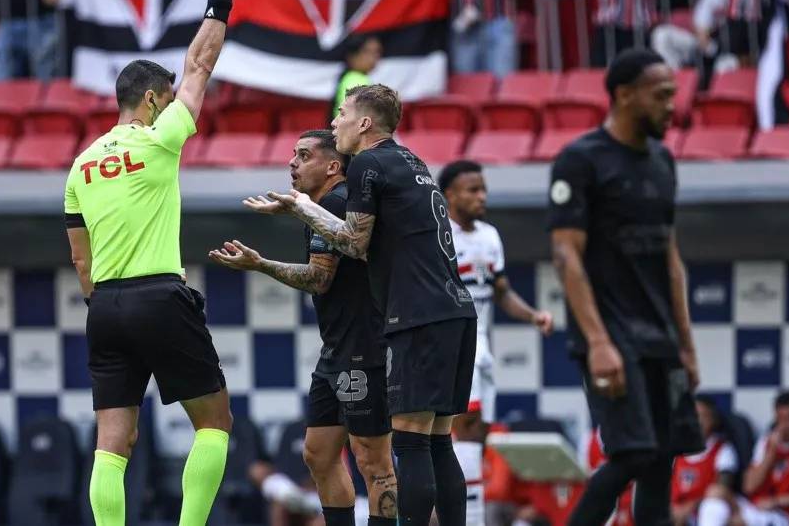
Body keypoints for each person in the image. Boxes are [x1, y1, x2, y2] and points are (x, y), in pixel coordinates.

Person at [243, 83, 479, 526]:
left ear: (365, 123)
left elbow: (353, 242)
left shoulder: (368, 163)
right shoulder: (413, 160)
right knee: (437, 444)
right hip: (455, 310)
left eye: (342, 114)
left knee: (406, 447)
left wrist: (298, 207)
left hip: (416, 316)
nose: (336, 122)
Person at [62, 0, 239, 526]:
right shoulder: (159, 139)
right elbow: (199, 65)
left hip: (105, 306)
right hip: (159, 295)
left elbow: (81, 263)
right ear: (152, 101)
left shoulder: (79, 166)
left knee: (112, 443)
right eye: (166, 95)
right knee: (214, 423)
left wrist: (107, 305)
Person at [547, 47, 704, 526]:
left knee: (662, 459)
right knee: (634, 454)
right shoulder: (580, 161)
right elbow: (566, 254)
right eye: (661, 96)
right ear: (624, 95)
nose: (671, 106)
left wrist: (687, 345)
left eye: (673, 95)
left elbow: (671, 259)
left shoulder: (663, 162)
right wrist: (597, 342)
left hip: (661, 338)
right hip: (611, 337)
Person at [208, 129, 397, 526]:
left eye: (304, 155)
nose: (292, 163)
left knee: (372, 458)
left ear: (333, 166)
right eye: (293, 154)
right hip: (338, 350)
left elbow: (318, 279)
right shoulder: (318, 205)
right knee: (318, 452)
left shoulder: (335, 202)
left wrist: (259, 264)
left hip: (364, 348)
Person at [437, 158, 553, 443]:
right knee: (463, 421)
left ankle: (474, 488)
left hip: (482, 342)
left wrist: (532, 315)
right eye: (472, 190)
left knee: (482, 427)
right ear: (450, 195)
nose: (482, 197)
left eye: (483, 190)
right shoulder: (438, 236)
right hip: (452, 343)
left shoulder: (490, 236)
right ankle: (460, 488)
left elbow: (501, 291)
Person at [697, 392, 789, 526]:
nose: (786, 424)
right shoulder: (768, 440)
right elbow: (749, 487)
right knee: (715, 493)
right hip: (755, 506)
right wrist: (770, 454)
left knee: (734, 522)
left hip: (784, 513)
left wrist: (776, 501)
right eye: (781, 419)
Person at [670, 396, 740, 526]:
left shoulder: (723, 450)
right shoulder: (674, 449)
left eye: (703, 416)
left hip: (703, 512)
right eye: (694, 417)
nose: (698, 422)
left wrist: (691, 506)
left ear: (714, 420)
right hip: (674, 511)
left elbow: (720, 490)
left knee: (714, 507)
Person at [332, 35, 381, 120]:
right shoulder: (356, 80)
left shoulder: (351, 78)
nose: (374, 57)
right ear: (351, 56)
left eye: (377, 52)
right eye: (367, 52)